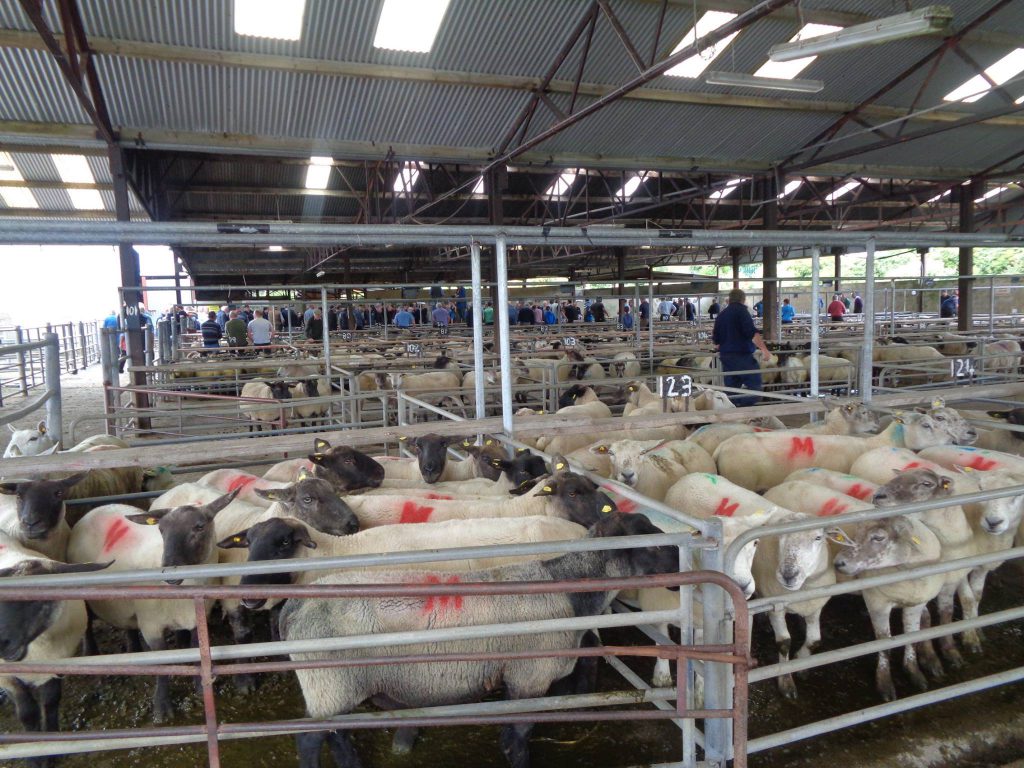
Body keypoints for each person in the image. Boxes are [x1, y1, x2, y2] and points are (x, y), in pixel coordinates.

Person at [712, 289, 771, 407]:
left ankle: (734, 410)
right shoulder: (742, 312)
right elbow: (752, 333)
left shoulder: (721, 315)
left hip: (726, 357)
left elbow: (716, 341)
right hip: (742, 356)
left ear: (729, 300)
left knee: (731, 390)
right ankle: (743, 407)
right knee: (755, 387)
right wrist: (764, 350)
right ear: (743, 299)